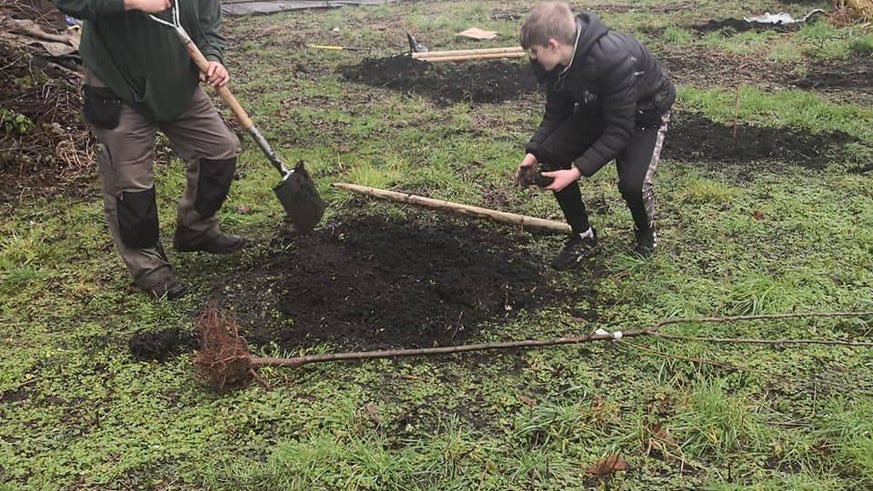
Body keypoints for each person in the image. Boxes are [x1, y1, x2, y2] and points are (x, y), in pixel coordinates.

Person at [53, 0, 246, 299]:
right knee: (131, 189)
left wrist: (213, 57)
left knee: (219, 152)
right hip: (118, 84)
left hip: (176, 81)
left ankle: (196, 230)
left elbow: (207, 17)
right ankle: (151, 270)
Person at [516, 2, 675, 269]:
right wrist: (533, 152)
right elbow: (556, 114)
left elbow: (620, 130)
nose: (533, 58)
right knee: (551, 154)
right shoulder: (557, 64)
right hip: (601, 105)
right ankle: (583, 236)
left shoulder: (613, 59)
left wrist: (577, 171)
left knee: (633, 186)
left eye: (534, 51)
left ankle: (646, 234)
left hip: (644, 113)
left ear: (553, 45)